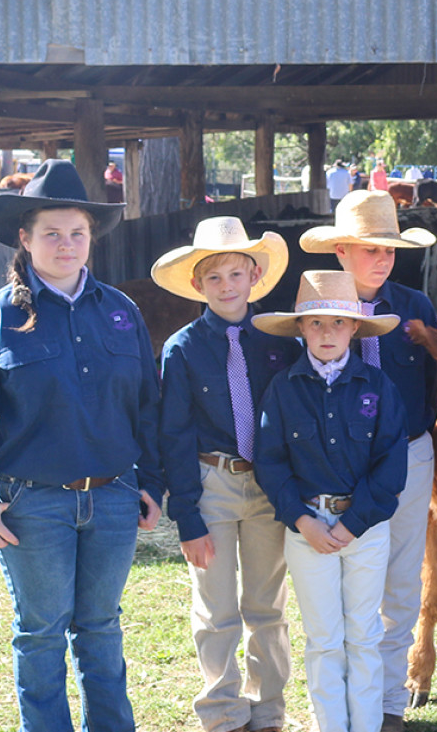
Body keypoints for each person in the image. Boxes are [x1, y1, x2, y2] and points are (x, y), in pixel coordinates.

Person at [0, 159, 164, 732]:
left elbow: (149, 408)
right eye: (52, 234)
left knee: (102, 629)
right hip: (31, 505)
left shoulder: (120, 312)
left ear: (91, 237)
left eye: (77, 233)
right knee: (40, 634)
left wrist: (152, 484)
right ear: (25, 238)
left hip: (113, 500)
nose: (66, 245)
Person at [300, 191, 437, 732]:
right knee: (335, 582)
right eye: (367, 250)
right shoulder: (317, 310)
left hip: (407, 453)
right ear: (340, 251)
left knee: (402, 577)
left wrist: (411, 439)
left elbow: (431, 384)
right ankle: (336, 704)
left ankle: (385, 702)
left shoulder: (416, 307)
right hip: (336, 467)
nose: (381, 260)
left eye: (389, 249)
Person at [153, 217, 300, 732]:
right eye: (213, 278)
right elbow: (174, 434)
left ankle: (268, 711)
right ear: (197, 284)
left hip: (269, 484)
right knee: (216, 606)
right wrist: (186, 515)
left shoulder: (281, 341)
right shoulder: (183, 348)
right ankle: (222, 712)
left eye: (236, 274)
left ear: (254, 276)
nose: (226, 286)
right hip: (211, 481)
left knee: (267, 604)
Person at [253, 271, 410, 732]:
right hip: (307, 528)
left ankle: (364, 725)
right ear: (300, 328)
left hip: (364, 529)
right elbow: (271, 462)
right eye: (316, 323)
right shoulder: (283, 388)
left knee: (364, 634)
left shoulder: (378, 387)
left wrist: (352, 523)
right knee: (323, 638)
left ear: (355, 329)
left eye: (337, 323)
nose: (326, 333)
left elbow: (391, 466)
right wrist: (303, 521)